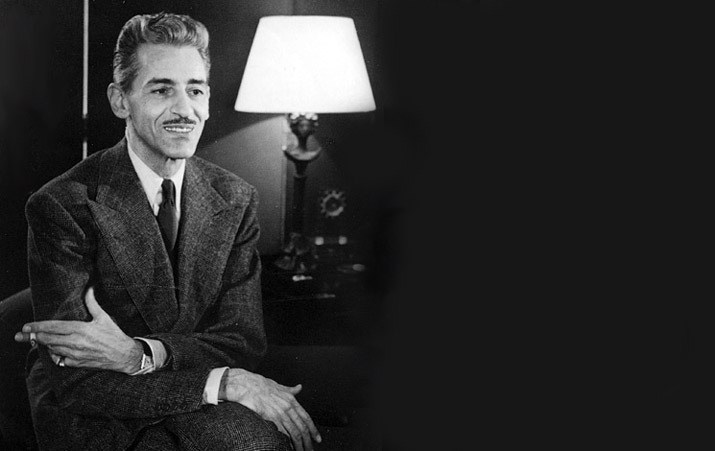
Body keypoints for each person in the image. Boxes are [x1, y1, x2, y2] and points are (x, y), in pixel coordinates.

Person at [13, 12, 320, 451]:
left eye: (195, 90)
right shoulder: (62, 205)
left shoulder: (236, 199)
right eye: (161, 90)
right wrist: (219, 380)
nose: (184, 110)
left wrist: (140, 354)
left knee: (264, 441)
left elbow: (242, 343)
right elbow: (77, 382)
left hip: (194, 397)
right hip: (100, 413)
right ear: (121, 101)